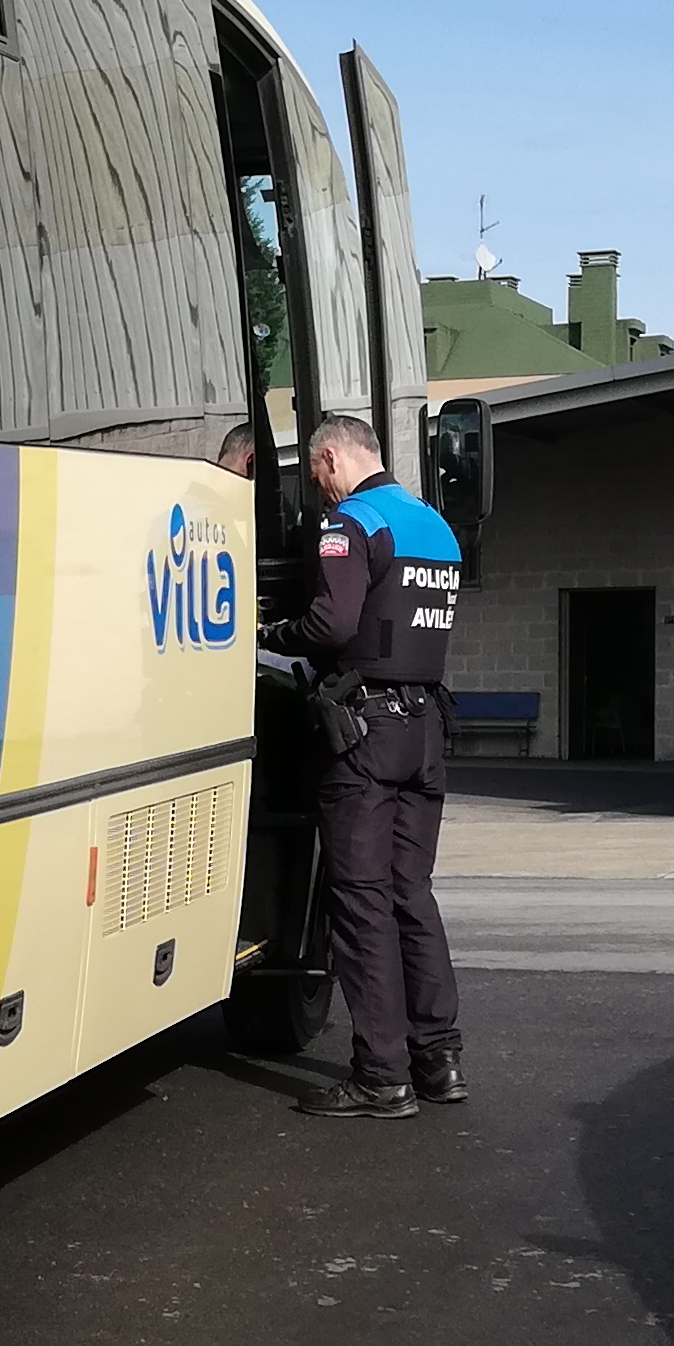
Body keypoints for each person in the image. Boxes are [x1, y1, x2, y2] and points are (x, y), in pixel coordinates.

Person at [259, 410, 463, 1117]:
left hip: (364, 735)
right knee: (412, 895)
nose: (319, 489)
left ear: (332, 459)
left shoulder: (350, 524)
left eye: (317, 473)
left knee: (361, 901)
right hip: (426, 730)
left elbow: (333, 625)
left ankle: (382, 1076)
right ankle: (439, 1060)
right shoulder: (435, 525)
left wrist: (271, 632)